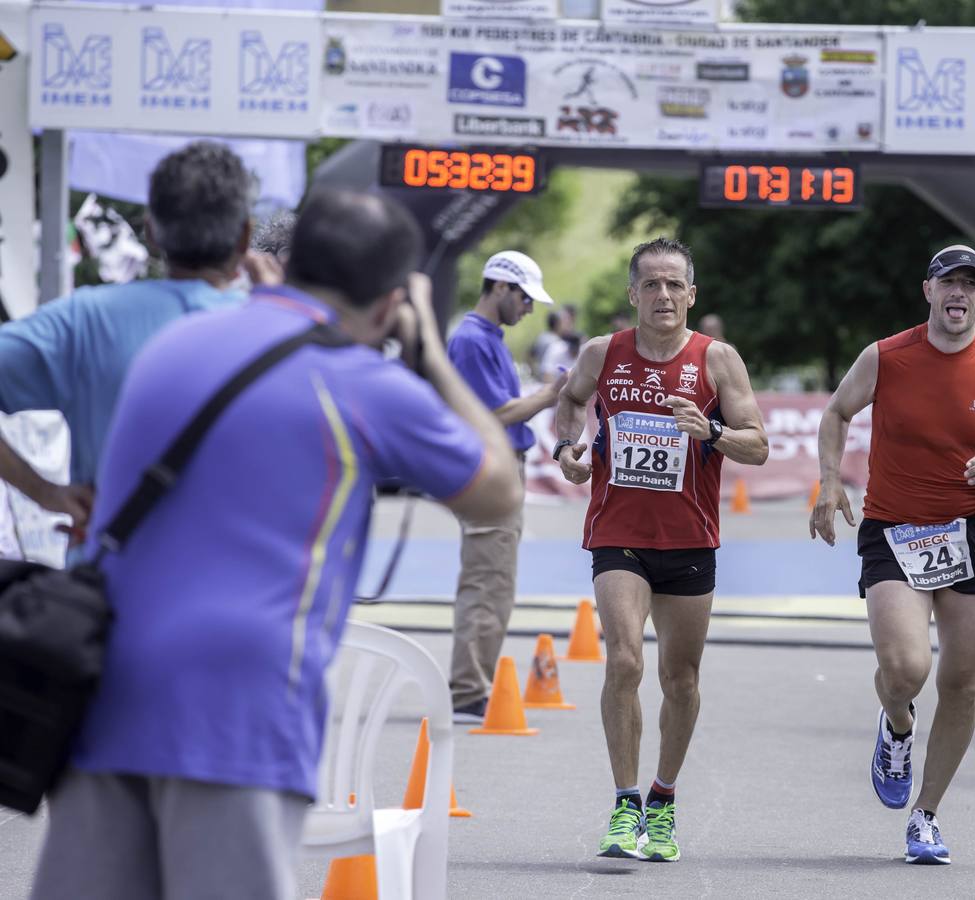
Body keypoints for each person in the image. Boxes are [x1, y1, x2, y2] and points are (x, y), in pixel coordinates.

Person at [29, 188, 521, 900]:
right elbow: (498, 490)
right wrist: (428, 354)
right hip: (238, 706)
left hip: (103, 684)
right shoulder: (364, 384)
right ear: (390, 304)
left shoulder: (177, 341)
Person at [810, 244, 975, 866]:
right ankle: (898, 727)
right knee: (906, 669)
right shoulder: (886, 356)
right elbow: (836, 413)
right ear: (928, 291)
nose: (958, 293)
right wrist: (831, 480)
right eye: (948, 282)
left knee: (963, 680)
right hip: (894, 530)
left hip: (970, 533)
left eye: (971, 284)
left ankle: (925, 817)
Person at [553, 236, 767, 863]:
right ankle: (624, 806)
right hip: (619, 535)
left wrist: (715, 431)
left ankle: (662, 800)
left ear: (692, 295)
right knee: (623, 661)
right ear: (633, 294)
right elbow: (570, 403)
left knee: (681, 677)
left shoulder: (718, 361)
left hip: (690, 539)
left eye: (675, 284)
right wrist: (569, 449)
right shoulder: (603, 354)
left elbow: (757, 444)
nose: (664, 294)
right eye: (651, 284)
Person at [0, 141, 259, 550]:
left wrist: (44, 492)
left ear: (152, 232)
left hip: (110, 594)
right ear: (246, 235)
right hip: (244, 597)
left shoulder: (85, 321)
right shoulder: (286, 333)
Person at [447, 251, 566, 723]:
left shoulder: (485, 337)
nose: (530, 309)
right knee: (487, 578)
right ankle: (468, 691)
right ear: (500, 287)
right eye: (525, 298)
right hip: (491, 465)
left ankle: (472, 685)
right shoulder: (473, 340)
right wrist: (548, 394)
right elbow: (492, 414)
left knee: (495, 578)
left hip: (497, 465)